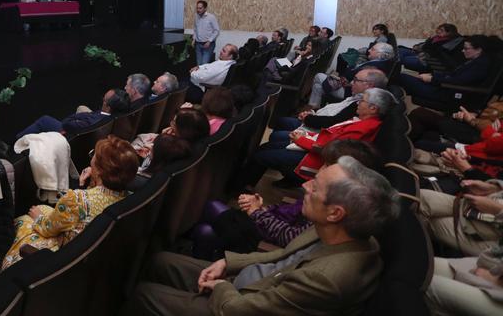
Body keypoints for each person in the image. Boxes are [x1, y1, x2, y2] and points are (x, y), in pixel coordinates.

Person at [123, 156, 399, 315]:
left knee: (143, 293)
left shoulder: (328, 278)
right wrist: (227, 264)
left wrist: (220, 286)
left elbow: (240, 311)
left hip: (237, 303)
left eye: (316, 188)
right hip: (248, 281)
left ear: (335, 213)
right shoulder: (337, 231)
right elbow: (282, 255)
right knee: (159, 261)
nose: (305, 186)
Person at [192, 140, 381, 259]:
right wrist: (262, 208)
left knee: (207, 225)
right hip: (267, 222)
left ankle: (202, 259)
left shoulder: (332, 204)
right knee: (211, 215)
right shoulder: (331, 195)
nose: (320, 169)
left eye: (327, 165)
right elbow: (292, 215)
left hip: (264, 239)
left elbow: (290, 239)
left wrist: (257, 212)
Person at [1, 135, 139, 270]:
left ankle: (1, 268)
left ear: (101, 170)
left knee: (23, 220)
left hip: (62, 258)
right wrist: (88, 183)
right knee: (43, 207)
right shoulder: (131, 198)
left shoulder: (76, 200)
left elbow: (48, 229)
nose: (91, 160)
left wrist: (38, 218)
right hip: (93, 258)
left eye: (93, 156)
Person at [247, 87, 394, 187]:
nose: (359, 102)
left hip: (316, 161)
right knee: (266, 147)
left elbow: (333, 151)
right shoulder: (364, 121)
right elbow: (331, 135)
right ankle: (247, 184)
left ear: (373, 108)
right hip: (314, 148)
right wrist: (306, 135)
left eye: (363, 100)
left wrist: (301, 139)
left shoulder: (364, 128)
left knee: (261, 156)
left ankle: (240, 191)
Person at [398, 35, 494, 107]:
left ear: (478, 50)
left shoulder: (480, 65)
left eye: (466, 49)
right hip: (443, 86)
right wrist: (432, 75)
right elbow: (454, 75)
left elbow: (458, 81)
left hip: (447, 93)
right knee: (402, 77)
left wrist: (432, 79)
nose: (462, 51)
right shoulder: (475, 61)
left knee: (401, 77)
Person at [14, 88, 130, 140]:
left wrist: (76, 118)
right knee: (81, 108)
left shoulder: (96, 121)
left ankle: (18, 140)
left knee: (45, 120)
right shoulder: (114, 116)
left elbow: (67, 125)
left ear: (108, 106)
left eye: (104, 100)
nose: (102, 100)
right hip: (87, 121)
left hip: (69, 135)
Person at [307, 42, 395, 108]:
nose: (369, 51)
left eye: (372, 49)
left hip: (349, 91)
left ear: (380, 54)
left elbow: (352, 77)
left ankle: (313, 107)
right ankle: (314, 108)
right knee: (317, 86)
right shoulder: (379, 62)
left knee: (318, 76)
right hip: (348, 86)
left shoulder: (375, 66)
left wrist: (347, 73)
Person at [425, 245, 503, 316]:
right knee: (425, 266)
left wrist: (492, 276)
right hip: (494, 265)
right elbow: (484, 261)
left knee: (428, 286)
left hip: (497, 290)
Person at [193, 0, 220, 65]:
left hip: (208, 45)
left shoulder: (211, 17)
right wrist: (194, 38)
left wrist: (209, 41)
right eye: (197, 8)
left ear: (205, 8)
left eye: (200, 8)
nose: (198, 10)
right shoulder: (196, 16)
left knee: (204, 64)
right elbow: (195, 29)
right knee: (199, 65)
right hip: (198, 44)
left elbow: (216, 30)